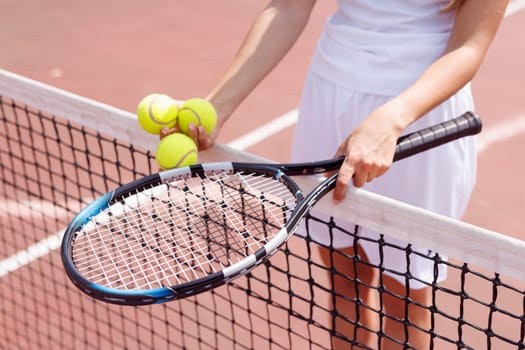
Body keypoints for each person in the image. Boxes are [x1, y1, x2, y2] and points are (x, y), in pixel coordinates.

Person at [162, 0, 508, 348]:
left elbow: (469, 47)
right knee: (344, 284)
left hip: (418, 117)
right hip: (330, 96)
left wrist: (391, 120)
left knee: (404, 301)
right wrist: (217, 106)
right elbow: (287, 8)